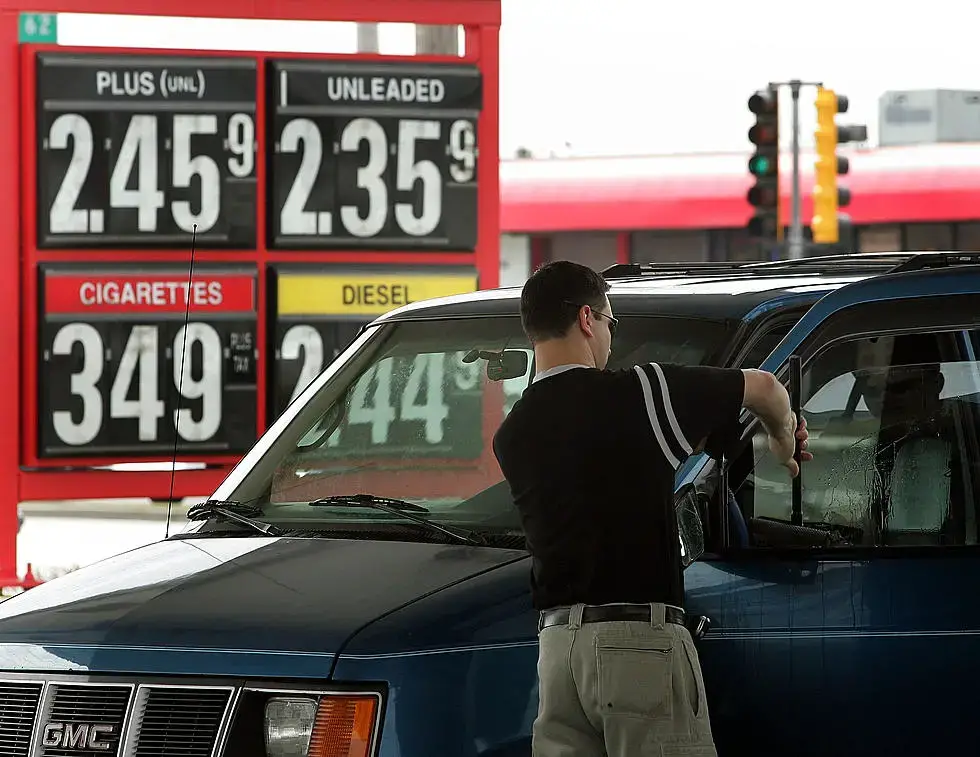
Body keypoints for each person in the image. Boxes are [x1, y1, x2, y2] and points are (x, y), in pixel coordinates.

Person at [492, 260, 811, 757]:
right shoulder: (640, 394)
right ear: (586, 319)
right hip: (636, 647)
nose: (610, 341)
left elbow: (618, 459)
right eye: (610, 323)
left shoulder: (514, 432)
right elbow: (766, 389)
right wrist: (784, 440)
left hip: (557, 654)